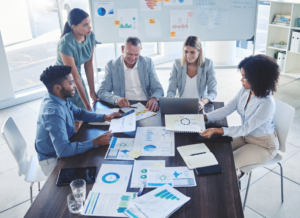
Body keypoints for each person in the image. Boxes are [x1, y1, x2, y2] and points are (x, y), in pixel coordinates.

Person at [200, 54, 280, 178]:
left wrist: (217, 130)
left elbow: (244, 128)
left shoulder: (267, 103)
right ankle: (238, 172)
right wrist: (204, 117)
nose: (241, 80)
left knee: (227, 164)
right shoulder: (245, 90)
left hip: (263, 145)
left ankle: (237, 176)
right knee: (215, 152)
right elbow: (228, 108)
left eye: (244, 77)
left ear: (257, 78)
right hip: (245, 137)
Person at [35, 66, 121, 176]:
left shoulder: (58, 97)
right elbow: (63, 151)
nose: (74, 86)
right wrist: (96, 142)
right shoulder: (53, 112)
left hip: (65, 146)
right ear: (58, 88)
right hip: (53, 160)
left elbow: (79, 113)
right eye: (70, 83)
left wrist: (104, 117)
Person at [56, 8, 97, 132]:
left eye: (89, 23)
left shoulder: (90, 36)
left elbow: (89, 66)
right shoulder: (65, 43)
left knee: (82, 112)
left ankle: (79, 140)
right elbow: (74, 77)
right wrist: (88, 105)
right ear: (74, 26)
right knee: (74, 116)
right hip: (62, 79)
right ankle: (73, 143)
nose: (89, 27)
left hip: (75, 74)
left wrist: (92, 92)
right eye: (85, 25)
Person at [97, 37, 164, 112]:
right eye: (129, 54)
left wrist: (154, 98)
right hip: (126, 106)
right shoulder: (112, 65)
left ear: (140, 50)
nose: (133, 58)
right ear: (122, 49)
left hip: (147, 105)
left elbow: (158, 88)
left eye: (136, 54)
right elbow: (101, 91)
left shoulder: (147, 63)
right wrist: (117, 99)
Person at [167, 36, 217, 110]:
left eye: (192, 52)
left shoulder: (208, 64)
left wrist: (203, 102)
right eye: (186, 51)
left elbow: (212, 91)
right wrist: (170, 99)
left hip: (199, 107)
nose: (188, 55)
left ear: (199, 51)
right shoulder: (177, 64)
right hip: (181, 106)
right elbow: (171, 89)